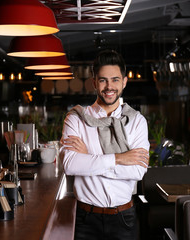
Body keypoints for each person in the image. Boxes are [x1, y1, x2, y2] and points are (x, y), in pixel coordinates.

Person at [60, 49, 150, 240]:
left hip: (124, 218)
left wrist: (90, 160)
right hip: (86, 219)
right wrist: (119, 159)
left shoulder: (136, 121)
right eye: (103, 80)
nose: (109, 86)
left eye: (115, 79)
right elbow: (70, 165)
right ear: (94, 82)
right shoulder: (76, 119)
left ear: (124, 81)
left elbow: (137, 171)